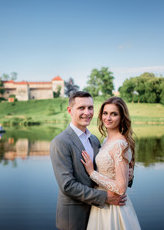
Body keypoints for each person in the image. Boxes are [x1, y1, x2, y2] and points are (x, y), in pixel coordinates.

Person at [50, 91, 127, 230]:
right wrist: (105, 197)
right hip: (74, 216)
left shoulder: (94, 140)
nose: (87, 112)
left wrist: (126, 171)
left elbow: (105, 170)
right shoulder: (60, 142)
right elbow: (67, 186)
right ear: (70, 110)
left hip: (99, 214)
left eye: (90, 107)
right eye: (81, 108)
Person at [81, 96, 141, 229]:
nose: (108, 118)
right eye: (105, 113)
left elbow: (121, 188)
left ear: (121, 117)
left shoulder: (120, 144)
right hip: (102, 203)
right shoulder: (106, 140)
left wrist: (92, 173)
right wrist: (127, 175)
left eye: (114, 114)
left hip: (114, 208)